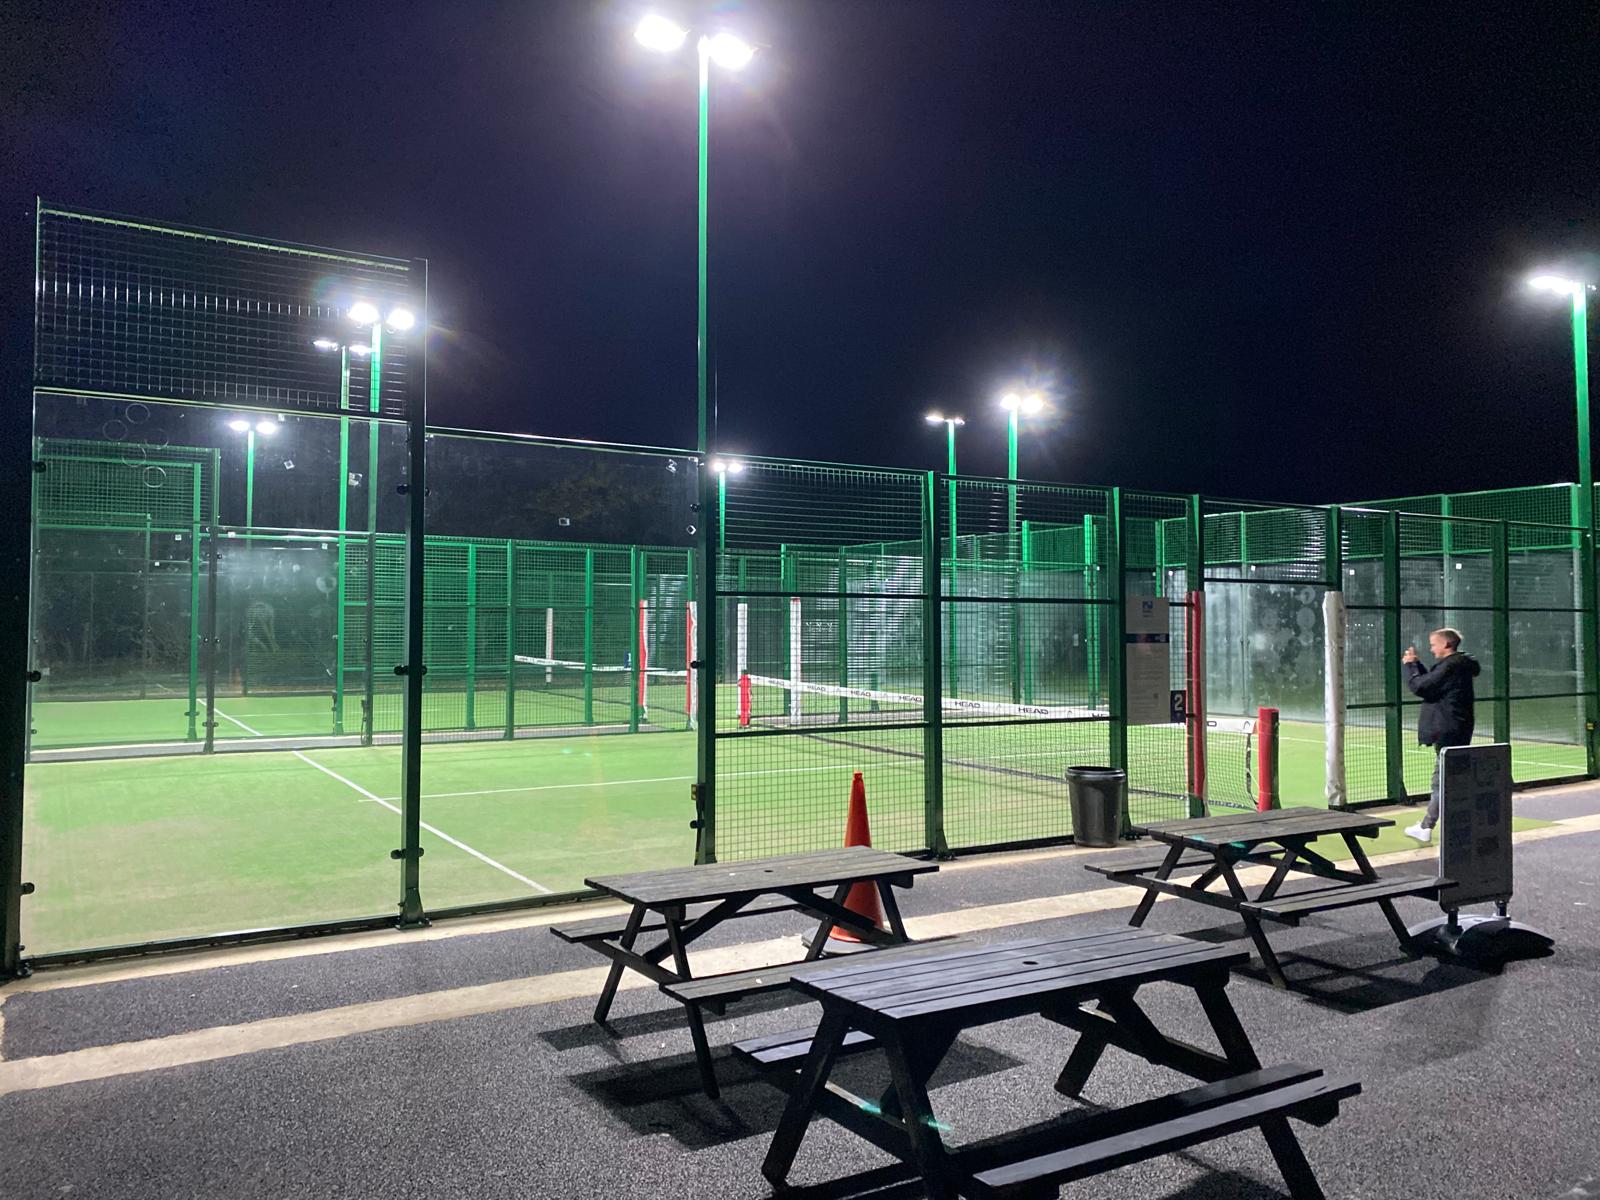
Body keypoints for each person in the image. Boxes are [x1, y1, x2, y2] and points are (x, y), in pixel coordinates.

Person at [1401, 627, 1480, 843]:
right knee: (1449, 779)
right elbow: (1433, 685)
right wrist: (1416, 665)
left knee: (1442, 781)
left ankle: (1427, 826)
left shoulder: (1451, 666)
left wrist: (1410, 666)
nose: (1431, 648)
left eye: (1434, 644)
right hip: (1457, 728)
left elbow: (1421, 686)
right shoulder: (1456, 666)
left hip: (1449, 729)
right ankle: (1436, 823)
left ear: (1446, 645)